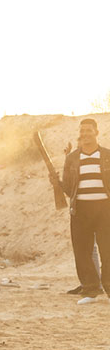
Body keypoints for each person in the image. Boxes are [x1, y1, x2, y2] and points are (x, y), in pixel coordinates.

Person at [61, 118, 110, 304]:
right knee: (82, 251)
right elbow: (67, 186)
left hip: (106, 208)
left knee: (108, 250)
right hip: (80, 209)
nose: (85, 134)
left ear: (97, 132)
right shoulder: (72, 158)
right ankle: (90, 290)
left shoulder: (107, 155)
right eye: (82, 131)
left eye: (89, 130)